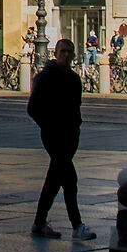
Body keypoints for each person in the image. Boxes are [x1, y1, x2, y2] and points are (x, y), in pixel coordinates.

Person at [27, 38, 94, 238]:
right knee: (69, 180)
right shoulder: (45, 77)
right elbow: (33, 108)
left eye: (70, 52)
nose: (66, 55)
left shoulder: (74, 80)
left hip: (70, 137)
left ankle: (39, 223)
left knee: (54, 180)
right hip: (53, 136)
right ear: (55, 53)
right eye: (63, 51)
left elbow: (76, 108)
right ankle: (77, 225)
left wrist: (76, 128)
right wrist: (49, 125)